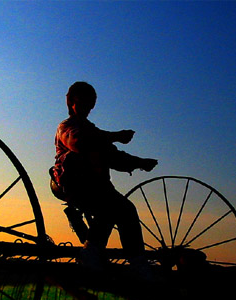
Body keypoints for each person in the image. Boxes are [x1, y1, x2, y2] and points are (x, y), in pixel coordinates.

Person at [50, 81, 158, 274]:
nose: (88, 107)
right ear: (72, 101)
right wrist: (116, 135)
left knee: (124, 210)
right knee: (111, 208)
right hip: (73, 184)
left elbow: (113, 156)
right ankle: (92, 253)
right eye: (84, 102)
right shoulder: (67, 127)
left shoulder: (94, 131)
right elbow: (80, 142)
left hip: (98, 187)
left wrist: (140, 162)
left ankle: (136, 262)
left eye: (90, 104)